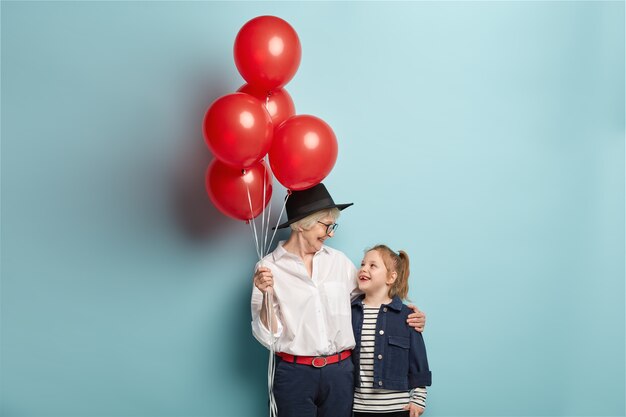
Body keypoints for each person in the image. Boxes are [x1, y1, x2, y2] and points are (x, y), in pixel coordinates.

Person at [251, 183, 427, 417]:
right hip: (295, 375)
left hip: (341, 374)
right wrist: (265, 296)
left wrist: (407, 315)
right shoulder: (268, 267)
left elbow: (372, 299)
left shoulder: (339, 262)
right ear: (304, 224)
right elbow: (268, 337)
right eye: (326, 226)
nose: (331, 233)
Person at [351, 245, 432, 417]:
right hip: (358, 409)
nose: (363, 269)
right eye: (363, 264)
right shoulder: (350, 312)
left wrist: (418, 398)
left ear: (391, 277)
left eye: (373, 265)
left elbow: (418, 359)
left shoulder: (407, 316)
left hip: (398, 409)